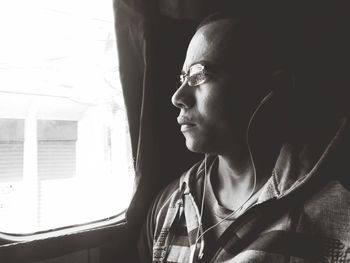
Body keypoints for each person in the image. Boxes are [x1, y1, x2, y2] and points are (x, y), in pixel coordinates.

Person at [138, 12, 350, 263]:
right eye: (183, 78)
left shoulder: (338, 209)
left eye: (199, 74)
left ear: (270, 86)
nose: (177, 97)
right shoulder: (168, 207)